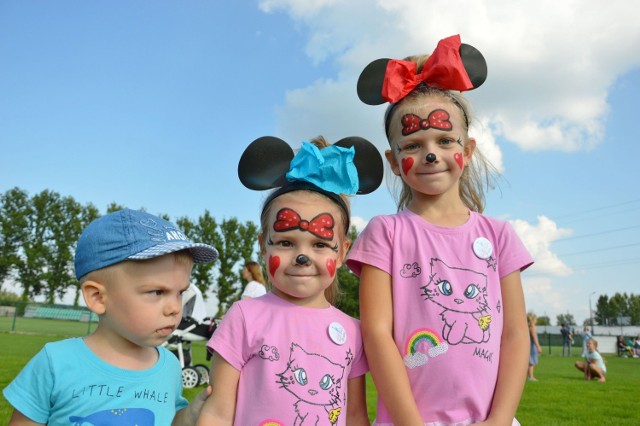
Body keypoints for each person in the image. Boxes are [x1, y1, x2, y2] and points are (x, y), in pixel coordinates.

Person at [347, 34, 534, 425]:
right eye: (412, 145)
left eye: (445, 140)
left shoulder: (500, 237)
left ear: (466, 152)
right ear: (394, 162)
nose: (430, 153)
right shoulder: (385, 235)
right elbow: (377, 334)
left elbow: (516, 336)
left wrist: (499, 421)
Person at [197, 135, 383, 425]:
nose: (302, 256)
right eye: (285, 243)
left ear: (344, 251)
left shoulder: (353, 332)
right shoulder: (245, 316)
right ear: (263, 245)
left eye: (320, 245)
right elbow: (217, 412)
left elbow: (356, 416)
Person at [3, 209, 219, 426]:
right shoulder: (55, 363)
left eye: (180, 292)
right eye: (157, 292)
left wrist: (190, 416)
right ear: (98, 297)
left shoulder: (170, 367)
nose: (174, 307)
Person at [527, 313, 542, 382]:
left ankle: (528, 376)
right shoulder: (532, 328)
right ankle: (531, 377)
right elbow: (534, 338)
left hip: (529, 346)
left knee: (530, 361)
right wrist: (538, 346)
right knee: (531, 362)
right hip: (532, 347)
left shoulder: (528, 327)